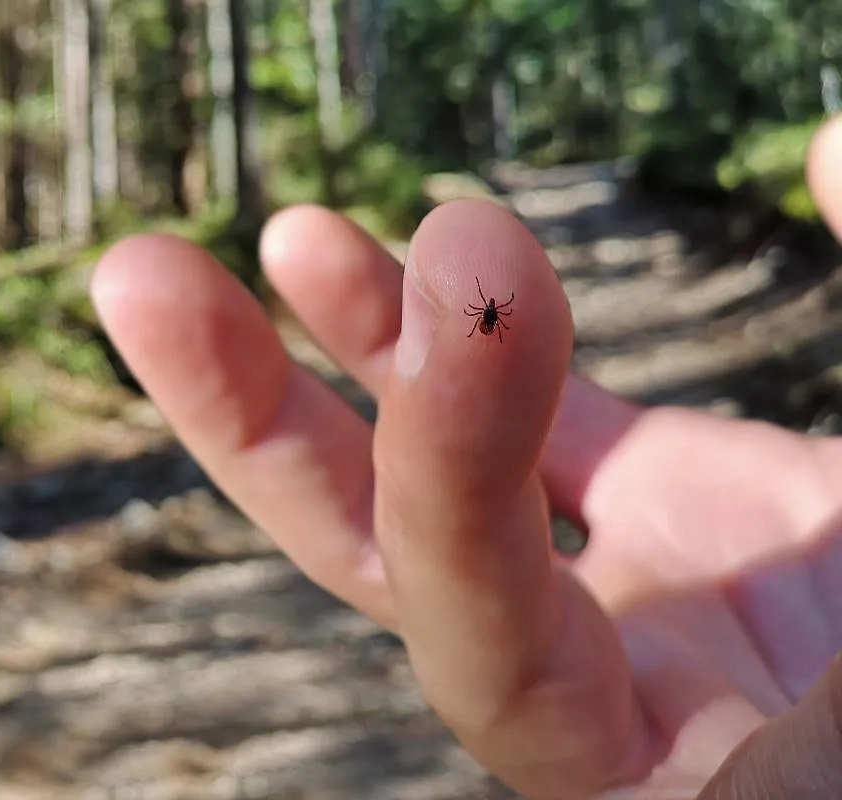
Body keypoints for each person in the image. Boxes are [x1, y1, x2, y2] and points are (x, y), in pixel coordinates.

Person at [89, 113, 842, 799]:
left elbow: (495, 313)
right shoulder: (489, 313)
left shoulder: (491, 314)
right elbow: (493, 313)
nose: (487, 313)